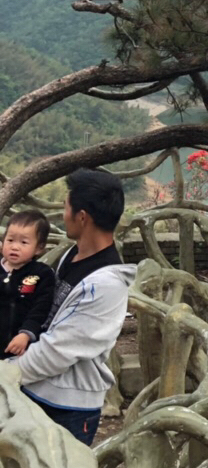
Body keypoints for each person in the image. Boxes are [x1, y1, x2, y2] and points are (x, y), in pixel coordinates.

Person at [15, 169, 136, 448]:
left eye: (66, 208)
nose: (63, 215)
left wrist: (7, 371)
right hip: (38, 388)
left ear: (82, 217)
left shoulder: (106, 285)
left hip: (68, 408)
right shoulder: (74, 254)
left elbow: (57, 351)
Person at [0, 209, 56, 357]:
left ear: (39, 247)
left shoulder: (42, 274)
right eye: (10, 240)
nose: (15, 247)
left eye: (24, 242)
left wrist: (26, 334)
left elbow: (41, 308)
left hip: (21, 347)